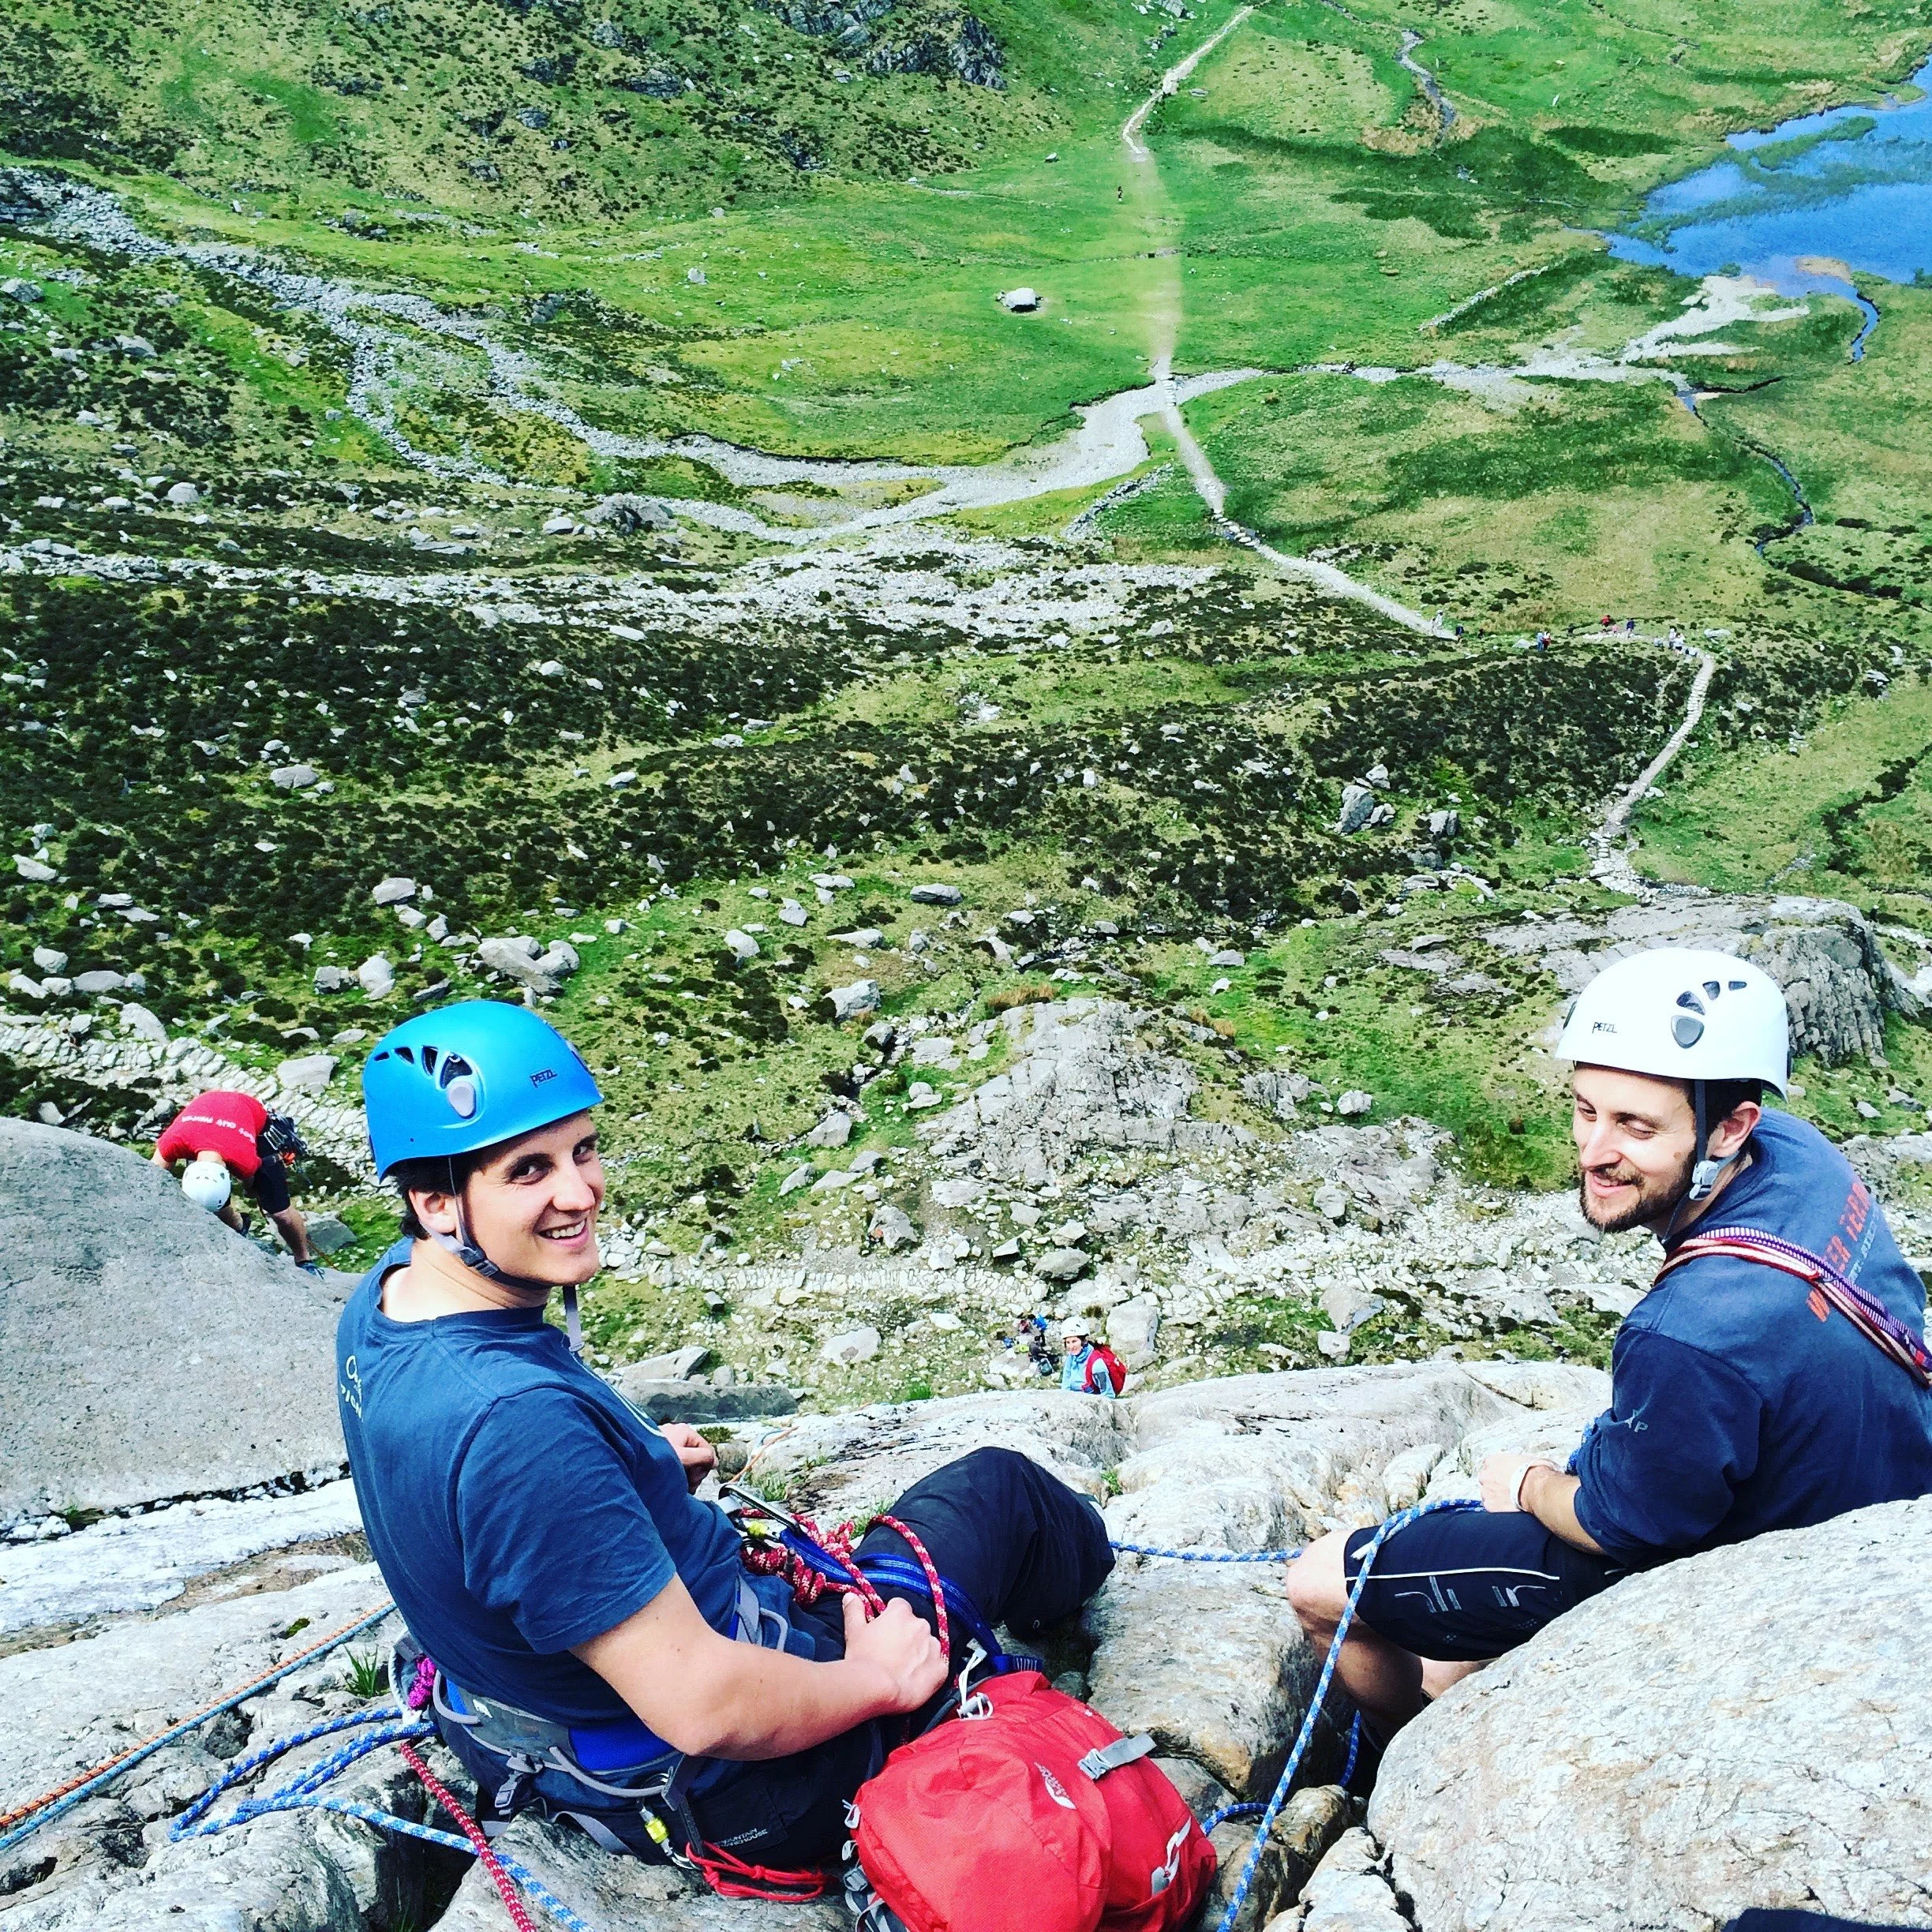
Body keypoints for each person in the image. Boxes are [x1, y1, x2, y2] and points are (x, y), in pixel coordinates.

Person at [337, 1001, 1113, 1880]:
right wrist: (877, 1681)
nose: (579, 1192)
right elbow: (703, 1705)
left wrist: (639, 1469)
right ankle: (1074, 1617)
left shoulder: (387, 1302)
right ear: (435, 1200)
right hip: (736, 1781)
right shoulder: (518, 1431)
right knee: (1001, 1492)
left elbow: (489, 1492)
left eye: (583, 1151)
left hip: (530, 1718)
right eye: (528, 1171)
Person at [1287, 947, 1932, 1746]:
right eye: (1586, 1109)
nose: (1593, 1150)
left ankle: (1410, 1751)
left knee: (1321, 1584)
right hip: (1886, 1488)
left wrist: (1525, 1484)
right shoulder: (1801, 1158)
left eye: (1635, 1125)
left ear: (1731, 1128)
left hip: (1741, 1566)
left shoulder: (1689, 1334)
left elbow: (1619, 1525)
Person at [152, 1088, 319, 1271]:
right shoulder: (173, 1142)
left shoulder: (244, 1160)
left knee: (280, 1212)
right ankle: (239, 1225)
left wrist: (253, 1189)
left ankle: (304, 1259)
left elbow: (250, 1186)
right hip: (207, 1111)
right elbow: (151, 1174)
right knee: (209, 1200)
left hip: (252, 1119)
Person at [1060, 1320, 1118, 1398]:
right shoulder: (1072, 1355)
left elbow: (1108, 1395)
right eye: (1068, 1342)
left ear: (1084, 1341)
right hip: (1073, 1396)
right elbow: (1067, 1374)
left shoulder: (1097, 1364)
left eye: (1074, 1341)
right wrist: (1064, 1396)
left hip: (1090, 1399)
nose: (1071, 1346)